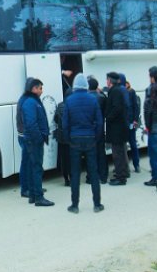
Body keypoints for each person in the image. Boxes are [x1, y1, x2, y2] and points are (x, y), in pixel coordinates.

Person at [62, 74, 104, 213]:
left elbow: (65, 124)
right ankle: (97, 204)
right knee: (93, 172)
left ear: (74, 85)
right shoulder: (93, 99)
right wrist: (96, 137)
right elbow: (99, 122)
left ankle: (75, 205)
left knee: (75, 173)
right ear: (86, 86)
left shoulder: (69, 100)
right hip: (90, 138)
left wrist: (69, 139)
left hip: (74, 139)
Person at [20, 78, 55, 206]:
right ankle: (39, 198)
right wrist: (40, 138)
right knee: (36, 168)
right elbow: (31, 123)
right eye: (40, 88)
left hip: (33, 140)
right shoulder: (30, 102)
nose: (42, 90)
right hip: (34, 141)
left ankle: (34, 196)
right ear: (34, 89)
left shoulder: (33, 101)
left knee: (34, 167)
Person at [105, 71, 129, 185]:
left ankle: (121, 177)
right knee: (120, 151)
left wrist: (108, 117)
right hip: (119, 128)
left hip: (117, 129)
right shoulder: (118, 90)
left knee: (117, 153)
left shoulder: (115, 91)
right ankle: (122, 173)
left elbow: (117, 108)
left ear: (110, 81)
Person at [16, 77, 35, 198]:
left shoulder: (24, 99)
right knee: (27, 163)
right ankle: (25, 189)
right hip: (26, 136)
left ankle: (33, 187)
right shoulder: (26, 101)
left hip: (24, 135)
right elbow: (28, 121)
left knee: (30, 163)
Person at [88, 76, 108, 183]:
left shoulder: (86, 98)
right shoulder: (102, 97)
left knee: (91, 154)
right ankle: (103, 177)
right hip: (100, 128)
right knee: (101, 153)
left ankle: (92, 177)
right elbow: (106, 111)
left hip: (89, 129)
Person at [122, 75, 141, 173]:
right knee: (126, 145)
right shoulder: (123, 91)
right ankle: (127, 166)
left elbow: (136, 107)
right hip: (125, 123)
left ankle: (136, 164)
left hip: (130, 122)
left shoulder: (131, 92)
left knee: (133, 144)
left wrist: (135, 120)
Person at [53, 100, 71, 186]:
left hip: (61, 136)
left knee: (64, 159)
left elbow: (56, 119)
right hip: (71, 137)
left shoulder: (59, 105)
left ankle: (66, 179)